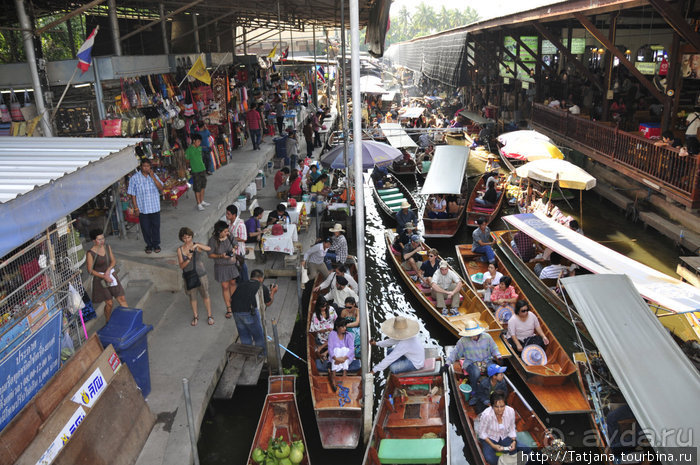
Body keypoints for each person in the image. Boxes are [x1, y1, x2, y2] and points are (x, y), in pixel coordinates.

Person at [230, 269, 278, 358]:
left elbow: (232, 298)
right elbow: (268, 303)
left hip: (236, 312)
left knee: (244, 334)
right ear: (260, 278)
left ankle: (247, 354)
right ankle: (261, 355)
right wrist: (273, 292)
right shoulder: (261, 287)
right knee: (258, 335)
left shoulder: (242, 284)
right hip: (249, 313)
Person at [445, 320, 501, 392]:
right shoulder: (463, 341)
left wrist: (499, 357)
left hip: (486, 361)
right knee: (476, 373)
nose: (471, 337)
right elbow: (455, 352)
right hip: (471, 363)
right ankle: (474, 390)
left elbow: (494, 348)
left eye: (473, 335)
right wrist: (447, 364)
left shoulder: (487, 337)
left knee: (494, 370)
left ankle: (493, 388)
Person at [478, 391, 530, 465]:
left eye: (502, 406)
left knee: (527, 450)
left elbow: (512, 428)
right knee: (491, 459)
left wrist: (513, 441)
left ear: (505, 404)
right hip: (490, 439)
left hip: (505, 436)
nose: (499, 410)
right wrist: (493, 445)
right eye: (496, 407)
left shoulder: (510, 411)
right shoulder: (486, 415)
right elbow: (482, 433)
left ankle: (507, 458)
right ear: (491, 405)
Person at [86, 229, 127, 322]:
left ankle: (129, 319)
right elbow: (90, 270)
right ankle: (108, 321)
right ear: (93, 240)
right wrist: (104, 276)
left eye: (103, 238)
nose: (102, 241)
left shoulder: (107, 247)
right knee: (109, 303)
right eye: (99, 239)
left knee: (121, 298)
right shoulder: (90, 253)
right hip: (100, 280)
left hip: (111, 275)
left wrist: (108, 271)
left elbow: (113, 261)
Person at [177, 227, 213, 326]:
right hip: (189, 276)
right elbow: (181, 266)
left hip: (201, 274)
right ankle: (195, 316)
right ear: (181, 239)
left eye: (189, 237)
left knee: (205, 295)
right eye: (184, 238)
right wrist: (188, 258)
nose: (187, 240)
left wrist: (196, 245)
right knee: (192, 297)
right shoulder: (180, 250)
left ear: (192, 236)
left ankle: (209, 316)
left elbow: (209, 249)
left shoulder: (197, 246)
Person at [128, 158, 164, 254]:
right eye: (144, 166)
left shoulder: (154, 176)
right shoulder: (134, 178)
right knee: (145, 228)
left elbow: (161, 188)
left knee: (156, 227)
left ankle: (156, 244)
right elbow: (133, 194)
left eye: (148, 166)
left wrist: (153, 177)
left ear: (150, 167)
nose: (146, 168)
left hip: (155, 207)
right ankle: (149, 245)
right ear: (141, 167)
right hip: (143, 209)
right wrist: (136, 208)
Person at [208, 220, 239, 319]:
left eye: (227, 231)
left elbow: (236, 244)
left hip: (231, 265)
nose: (227, 232)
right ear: (219, 231)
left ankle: (234, 303)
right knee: (225, 286)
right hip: (221, 267)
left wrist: (234, 248)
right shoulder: (212, 240)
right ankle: (229, 308)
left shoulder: (229, 236)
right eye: (225, 231)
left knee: (233, 283)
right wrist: (221, 256)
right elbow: (210, 254)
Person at [325, 317, 360, 391]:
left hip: (346, 358)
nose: (344, 328)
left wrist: (343, 359)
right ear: (337, 327)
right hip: (334, 358)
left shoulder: (349, 335)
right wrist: (336, 358)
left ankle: (344, 373)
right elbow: (330, 348)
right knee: (336, 349)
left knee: (344, 349)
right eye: (342, 326)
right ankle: (333, 375)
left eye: (345, 326)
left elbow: (351, 349)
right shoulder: (332, 334)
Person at [185, 134, 209, 211]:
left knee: (203, 186)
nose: (199, 143)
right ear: (194, 141)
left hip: (202, 169)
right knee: (197, 188)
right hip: (195, 171)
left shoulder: (199, 148)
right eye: (198, 141)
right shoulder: (189, 150)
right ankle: (198, 203)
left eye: (200, 142)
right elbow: (187, 160)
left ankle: (202, 201)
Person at [226, 205, 248, 282]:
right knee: (237, 268)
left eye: (228, 214)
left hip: (239, 251)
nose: (226, 215)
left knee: (242, 268)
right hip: (232, 250)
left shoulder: (240, 225)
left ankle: (245, 283)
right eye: (226, 213)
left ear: (234, 215)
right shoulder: (229, 223)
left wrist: (229, 237)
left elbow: (244, 238)